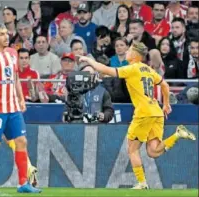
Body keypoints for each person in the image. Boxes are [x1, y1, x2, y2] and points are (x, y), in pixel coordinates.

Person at [78, 41, 196, 189]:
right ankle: (178, 134)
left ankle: (142, 183)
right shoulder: (147, 69)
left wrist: (89, 60)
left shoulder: (132, 68)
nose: (126, 52)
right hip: (156, 111)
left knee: (132, 149)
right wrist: (166, 104)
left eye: (129, 50)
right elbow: (165, 85)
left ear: (135, 55)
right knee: (153, 151)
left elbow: (108, 70)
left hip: (143, 113)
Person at [0, 24, 41, 193]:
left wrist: (20, 98)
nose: (6, 36)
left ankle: (23, 183)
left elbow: (15, 77)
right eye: (1, 34)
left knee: (21, 141)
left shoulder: (12, 53)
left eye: (6, 33)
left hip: (13, 108)